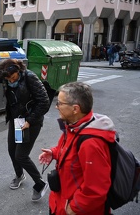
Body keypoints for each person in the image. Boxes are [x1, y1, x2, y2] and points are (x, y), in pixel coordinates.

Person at [38, 82, 116, 215]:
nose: (57, 107)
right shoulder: (76, 126)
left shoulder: (91, 143)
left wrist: (74, 208)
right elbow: (70, 150)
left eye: (60, 103)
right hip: (61, 201)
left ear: (75, 109)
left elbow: (96, 188)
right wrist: (55, 152)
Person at [0, 59, 50, 201]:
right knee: (12, 150)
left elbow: (44, 102)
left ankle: (40, 183)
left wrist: (30, 121)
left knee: (21, 155)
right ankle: (19, 175)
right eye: (7, 78)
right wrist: (4, 65)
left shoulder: (29, 77)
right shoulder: (6, 77)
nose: (10, 80)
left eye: (13, 77)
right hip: (17, 120)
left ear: (18, 70)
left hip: (31, 122)